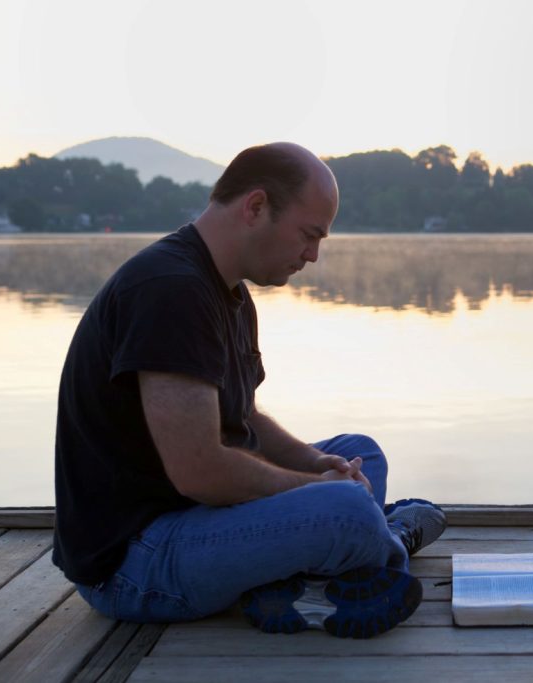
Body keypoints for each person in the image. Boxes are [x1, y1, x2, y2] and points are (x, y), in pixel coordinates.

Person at [52, 142, 446, 639]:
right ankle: (381, 548)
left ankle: (338, 555)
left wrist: (315, 463)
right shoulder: (169, 290)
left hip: (193, 518)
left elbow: (245, 419)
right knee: (345, 509)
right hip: (135, 562)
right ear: (256, 207)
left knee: (359, 454)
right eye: (309, 235)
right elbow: (200, 471)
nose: (313, 255)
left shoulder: (229, 291)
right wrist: (317, 490)